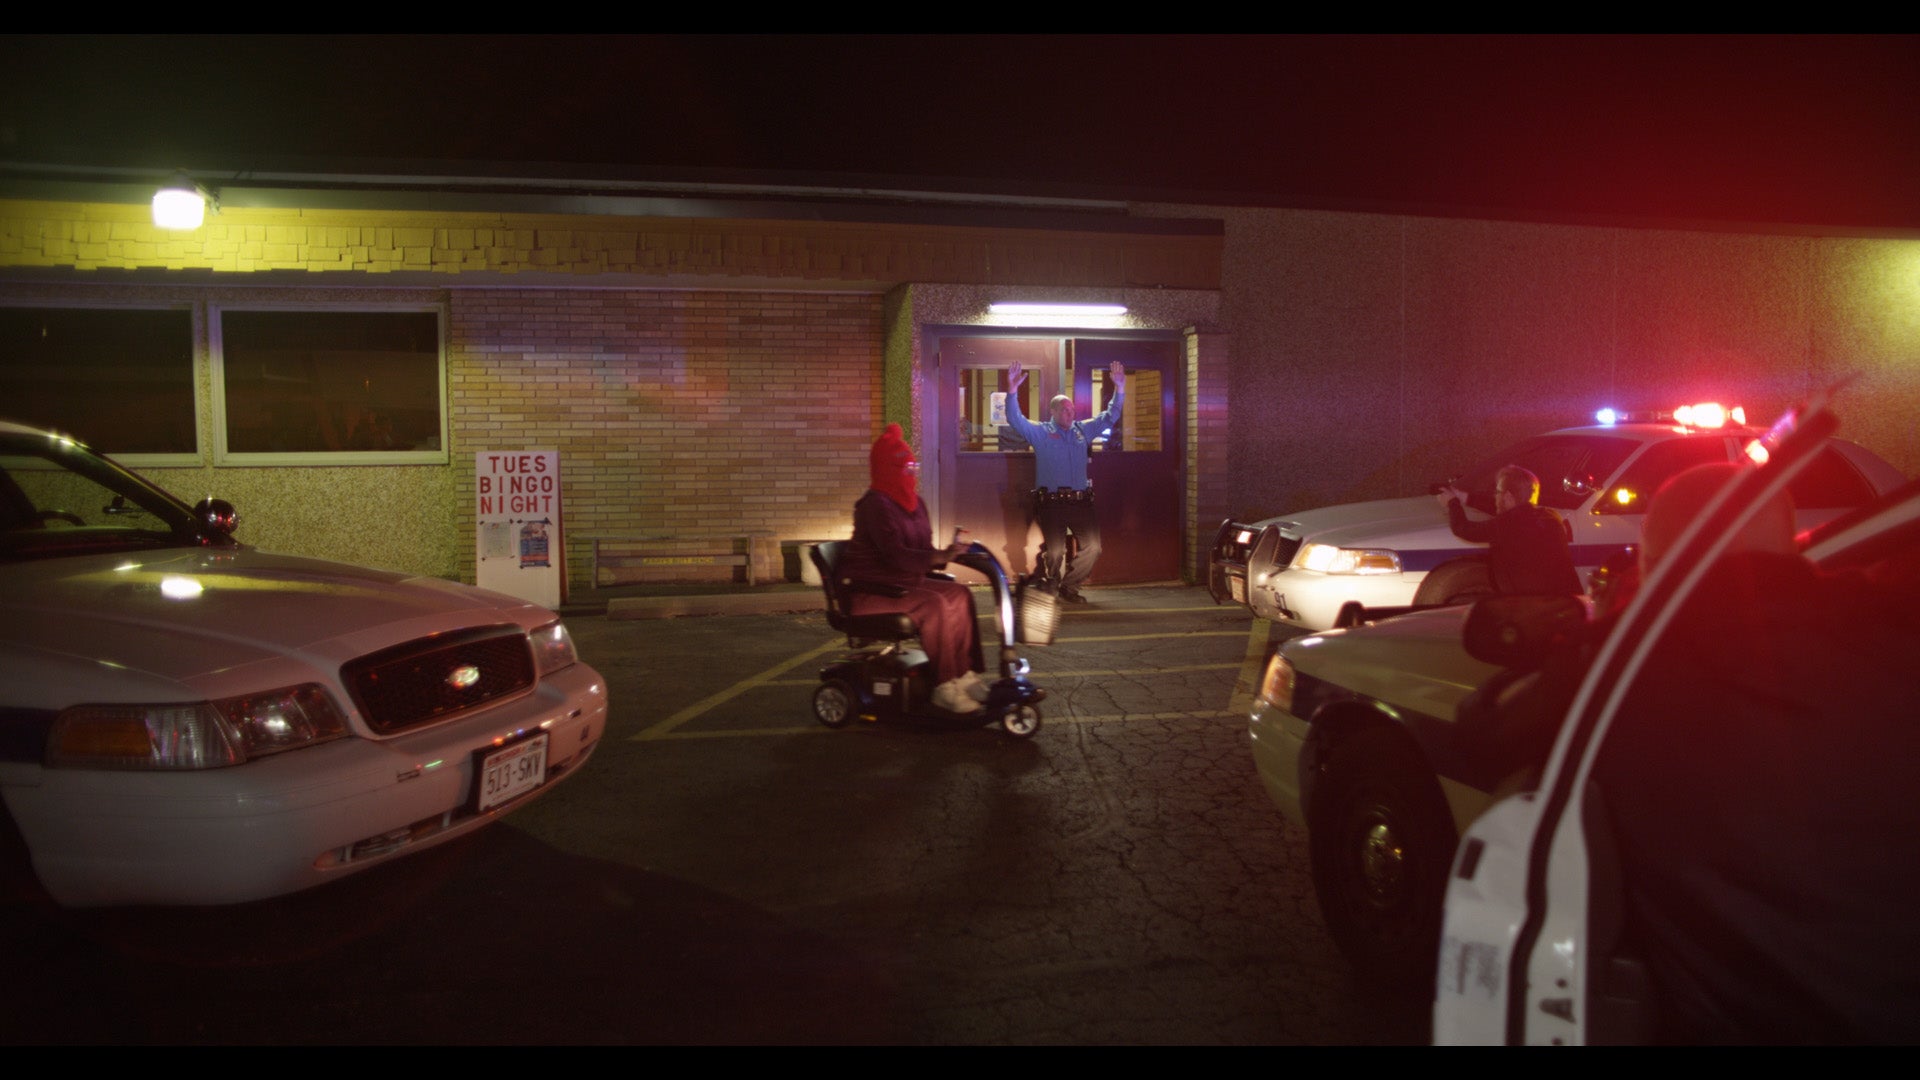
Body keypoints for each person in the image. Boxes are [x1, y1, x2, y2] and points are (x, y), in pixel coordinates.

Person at [1590, 462, 1920, 1043]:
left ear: (1653, 561)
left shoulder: (1618, 672)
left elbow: (1489, 726)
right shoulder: (1893, 638)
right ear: (1792, 545)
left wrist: (1609, 621)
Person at [836, 423, 991, 714]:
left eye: (913, 465)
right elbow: (896, 556)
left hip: (903, 583)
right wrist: (938, 557)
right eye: (905, 466)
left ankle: (963, 673)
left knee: (959, 595)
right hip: (870, 590)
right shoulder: (874, 506)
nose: (912, 472)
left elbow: (922, 551)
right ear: (887, 468)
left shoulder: (915, 504)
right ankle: (945, 686)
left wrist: (950, 553)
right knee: (934, 605)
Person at [1003, 359, 1126, 603]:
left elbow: (1110, 416)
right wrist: (1012, 391)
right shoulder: (1040, 433)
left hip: (1081, 503)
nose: (1071, 414)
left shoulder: (1082, 430)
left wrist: (1120, 389)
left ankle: (1069, 587)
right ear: (1054, 412)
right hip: (1052, 503)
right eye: (1066, 410)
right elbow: (1016, 419)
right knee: (1056, 550)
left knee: (1094, 547)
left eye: (1072, 410)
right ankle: (1053, 585)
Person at [1434, 465, 1581, 597]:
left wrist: (1452, 503)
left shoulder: (1508, 525)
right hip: (1567, 603)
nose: (1495, 496)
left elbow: (1463, 529)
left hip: (1536, 609)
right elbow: (1504, 509)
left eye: (1497, 492)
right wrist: (1464, 498)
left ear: (1509, 497)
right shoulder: (1550, 517)